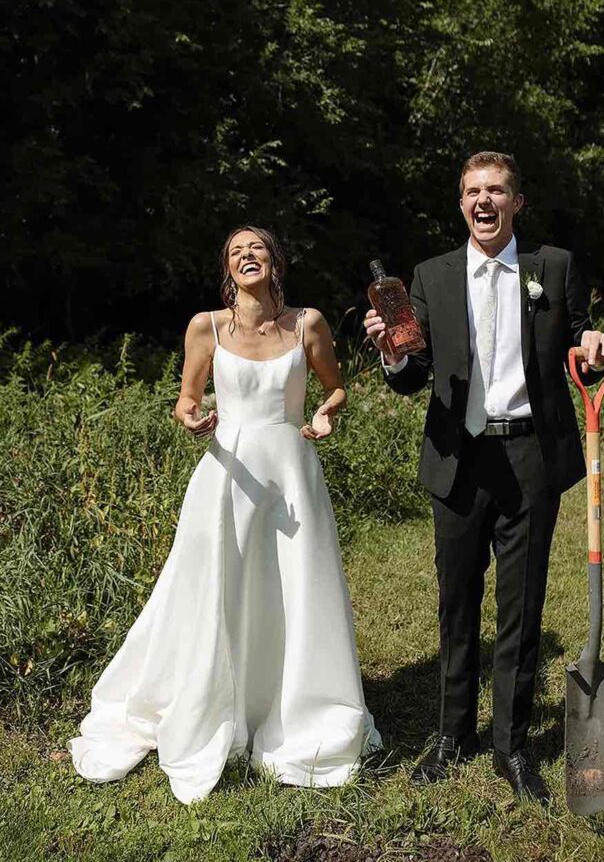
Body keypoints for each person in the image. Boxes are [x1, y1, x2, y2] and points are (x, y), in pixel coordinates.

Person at [69, 226, 380, 803]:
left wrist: (328, 415)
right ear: (227, 269)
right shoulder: (204, 327)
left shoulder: (307, 323)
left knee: (294, 588)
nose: (247, 256)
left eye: (256, 247)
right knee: (220, 588)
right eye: (237, 251)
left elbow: (336, 390)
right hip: (228, 475)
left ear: (275, 261)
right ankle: (216, 704)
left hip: (291, 474)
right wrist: (191, 416)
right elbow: (185, 399)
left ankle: (296, 708)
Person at [364, 152, 604, 802]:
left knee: (520, 605)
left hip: (531, 453)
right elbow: (412, 375)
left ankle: (510, 745)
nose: (484, 200)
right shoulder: (431, 276)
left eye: (496, 190)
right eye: (472, 191)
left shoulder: (551, 267)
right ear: (460, 204)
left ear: (516, 202)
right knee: (456, 605)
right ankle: (453, 736)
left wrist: (593, 348)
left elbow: (580, 342)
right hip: (457, 457)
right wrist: (393, 354)